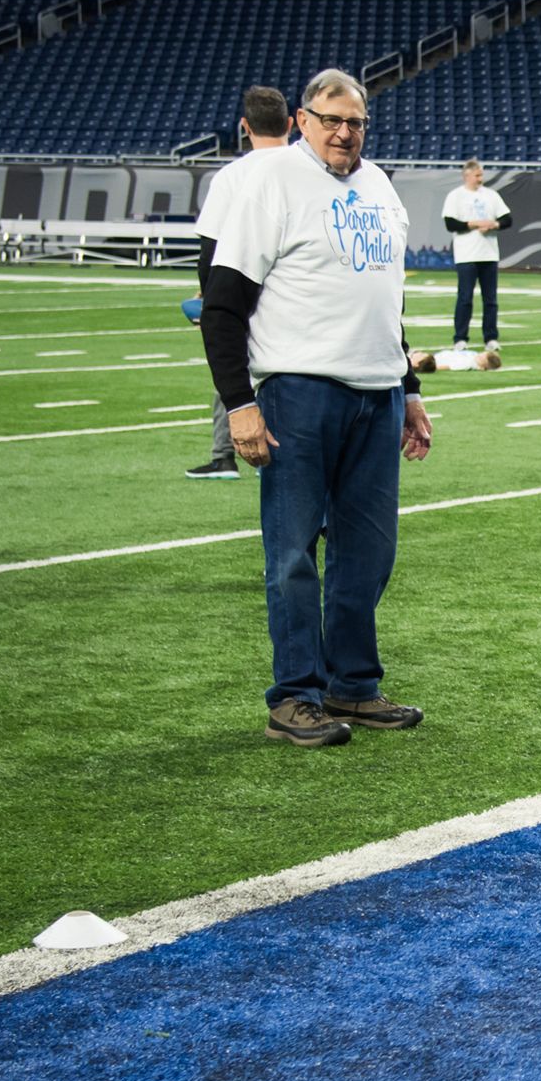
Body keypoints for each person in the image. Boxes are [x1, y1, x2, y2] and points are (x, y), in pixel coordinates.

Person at [199, 68, 433, 749]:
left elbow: (384, 299)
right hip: (298, 391)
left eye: (355, 121)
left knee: (369, 552)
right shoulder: (267, 183)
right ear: (301, 120)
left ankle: (352, 687)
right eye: (330, 119)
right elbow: (222, 305)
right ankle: (294, 696)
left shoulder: (380, 184)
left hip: (378, 392)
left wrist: (412, 388)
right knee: (294, 553)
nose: (343, 132)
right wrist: (240, 405)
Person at [187, 86, 291, 481]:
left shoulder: (233, 175)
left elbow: (210, 249)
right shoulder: (311, 169)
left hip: (243, 293)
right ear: (292, 122)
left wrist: (211, 302)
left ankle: (223, 455)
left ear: (244, 126)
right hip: (295, 302)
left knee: (232, 370)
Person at [443, 159, 513, 351]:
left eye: (481, 175)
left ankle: (490, 337)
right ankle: (460, 338)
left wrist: (493, 224)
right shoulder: (455, 196)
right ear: (467, 176)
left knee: (490, 299)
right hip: (466, 254)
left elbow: (507, 218)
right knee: (465, 298)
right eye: (477, 175)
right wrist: (473, 224)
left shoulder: (491, 195)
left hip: (489, 254)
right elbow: (450, 223)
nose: (481, 178)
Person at [411, 346, 503, 373]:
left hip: (435, 360)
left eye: (482, 358)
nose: (480, 355)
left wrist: (431, 367)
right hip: (437, 356)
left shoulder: (468, 364)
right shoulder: (473, 355)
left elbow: (449, 366)